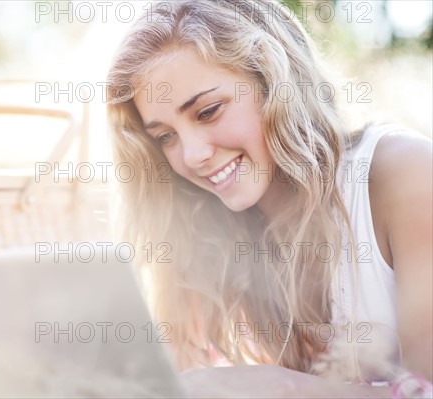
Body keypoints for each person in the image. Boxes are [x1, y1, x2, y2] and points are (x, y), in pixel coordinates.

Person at [106, 0, 432, 397]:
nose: (192, 156)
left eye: (208, 111)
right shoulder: (213, 234)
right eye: (165, 137)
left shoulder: (403, 173)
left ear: (275, 84)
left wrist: (280, 386)